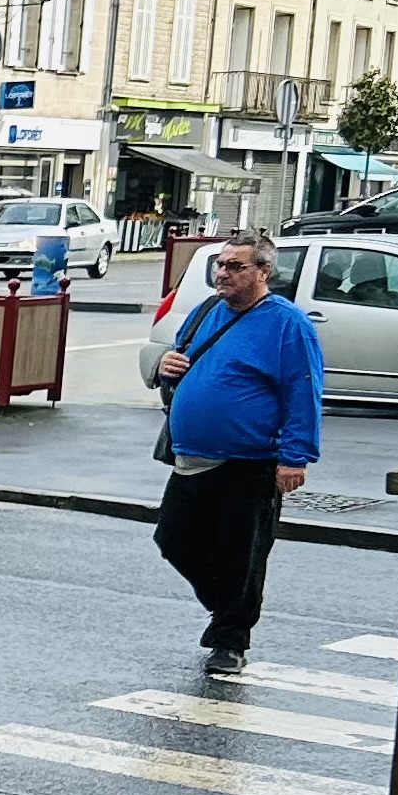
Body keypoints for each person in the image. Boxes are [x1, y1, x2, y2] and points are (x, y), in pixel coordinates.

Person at [149, 232, 322, 671]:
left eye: (234, 267)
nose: (222, 273)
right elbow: (178, 364)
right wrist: (165, 366)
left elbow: (303, 393)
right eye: (220, 265)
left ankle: (231, 639)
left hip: (250, 462)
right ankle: (227, 607)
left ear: (263, 272)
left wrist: (294, 457)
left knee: (240, 555)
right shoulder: (207, 311)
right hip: (192, 457)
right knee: (173, 540)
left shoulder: (287, 324)